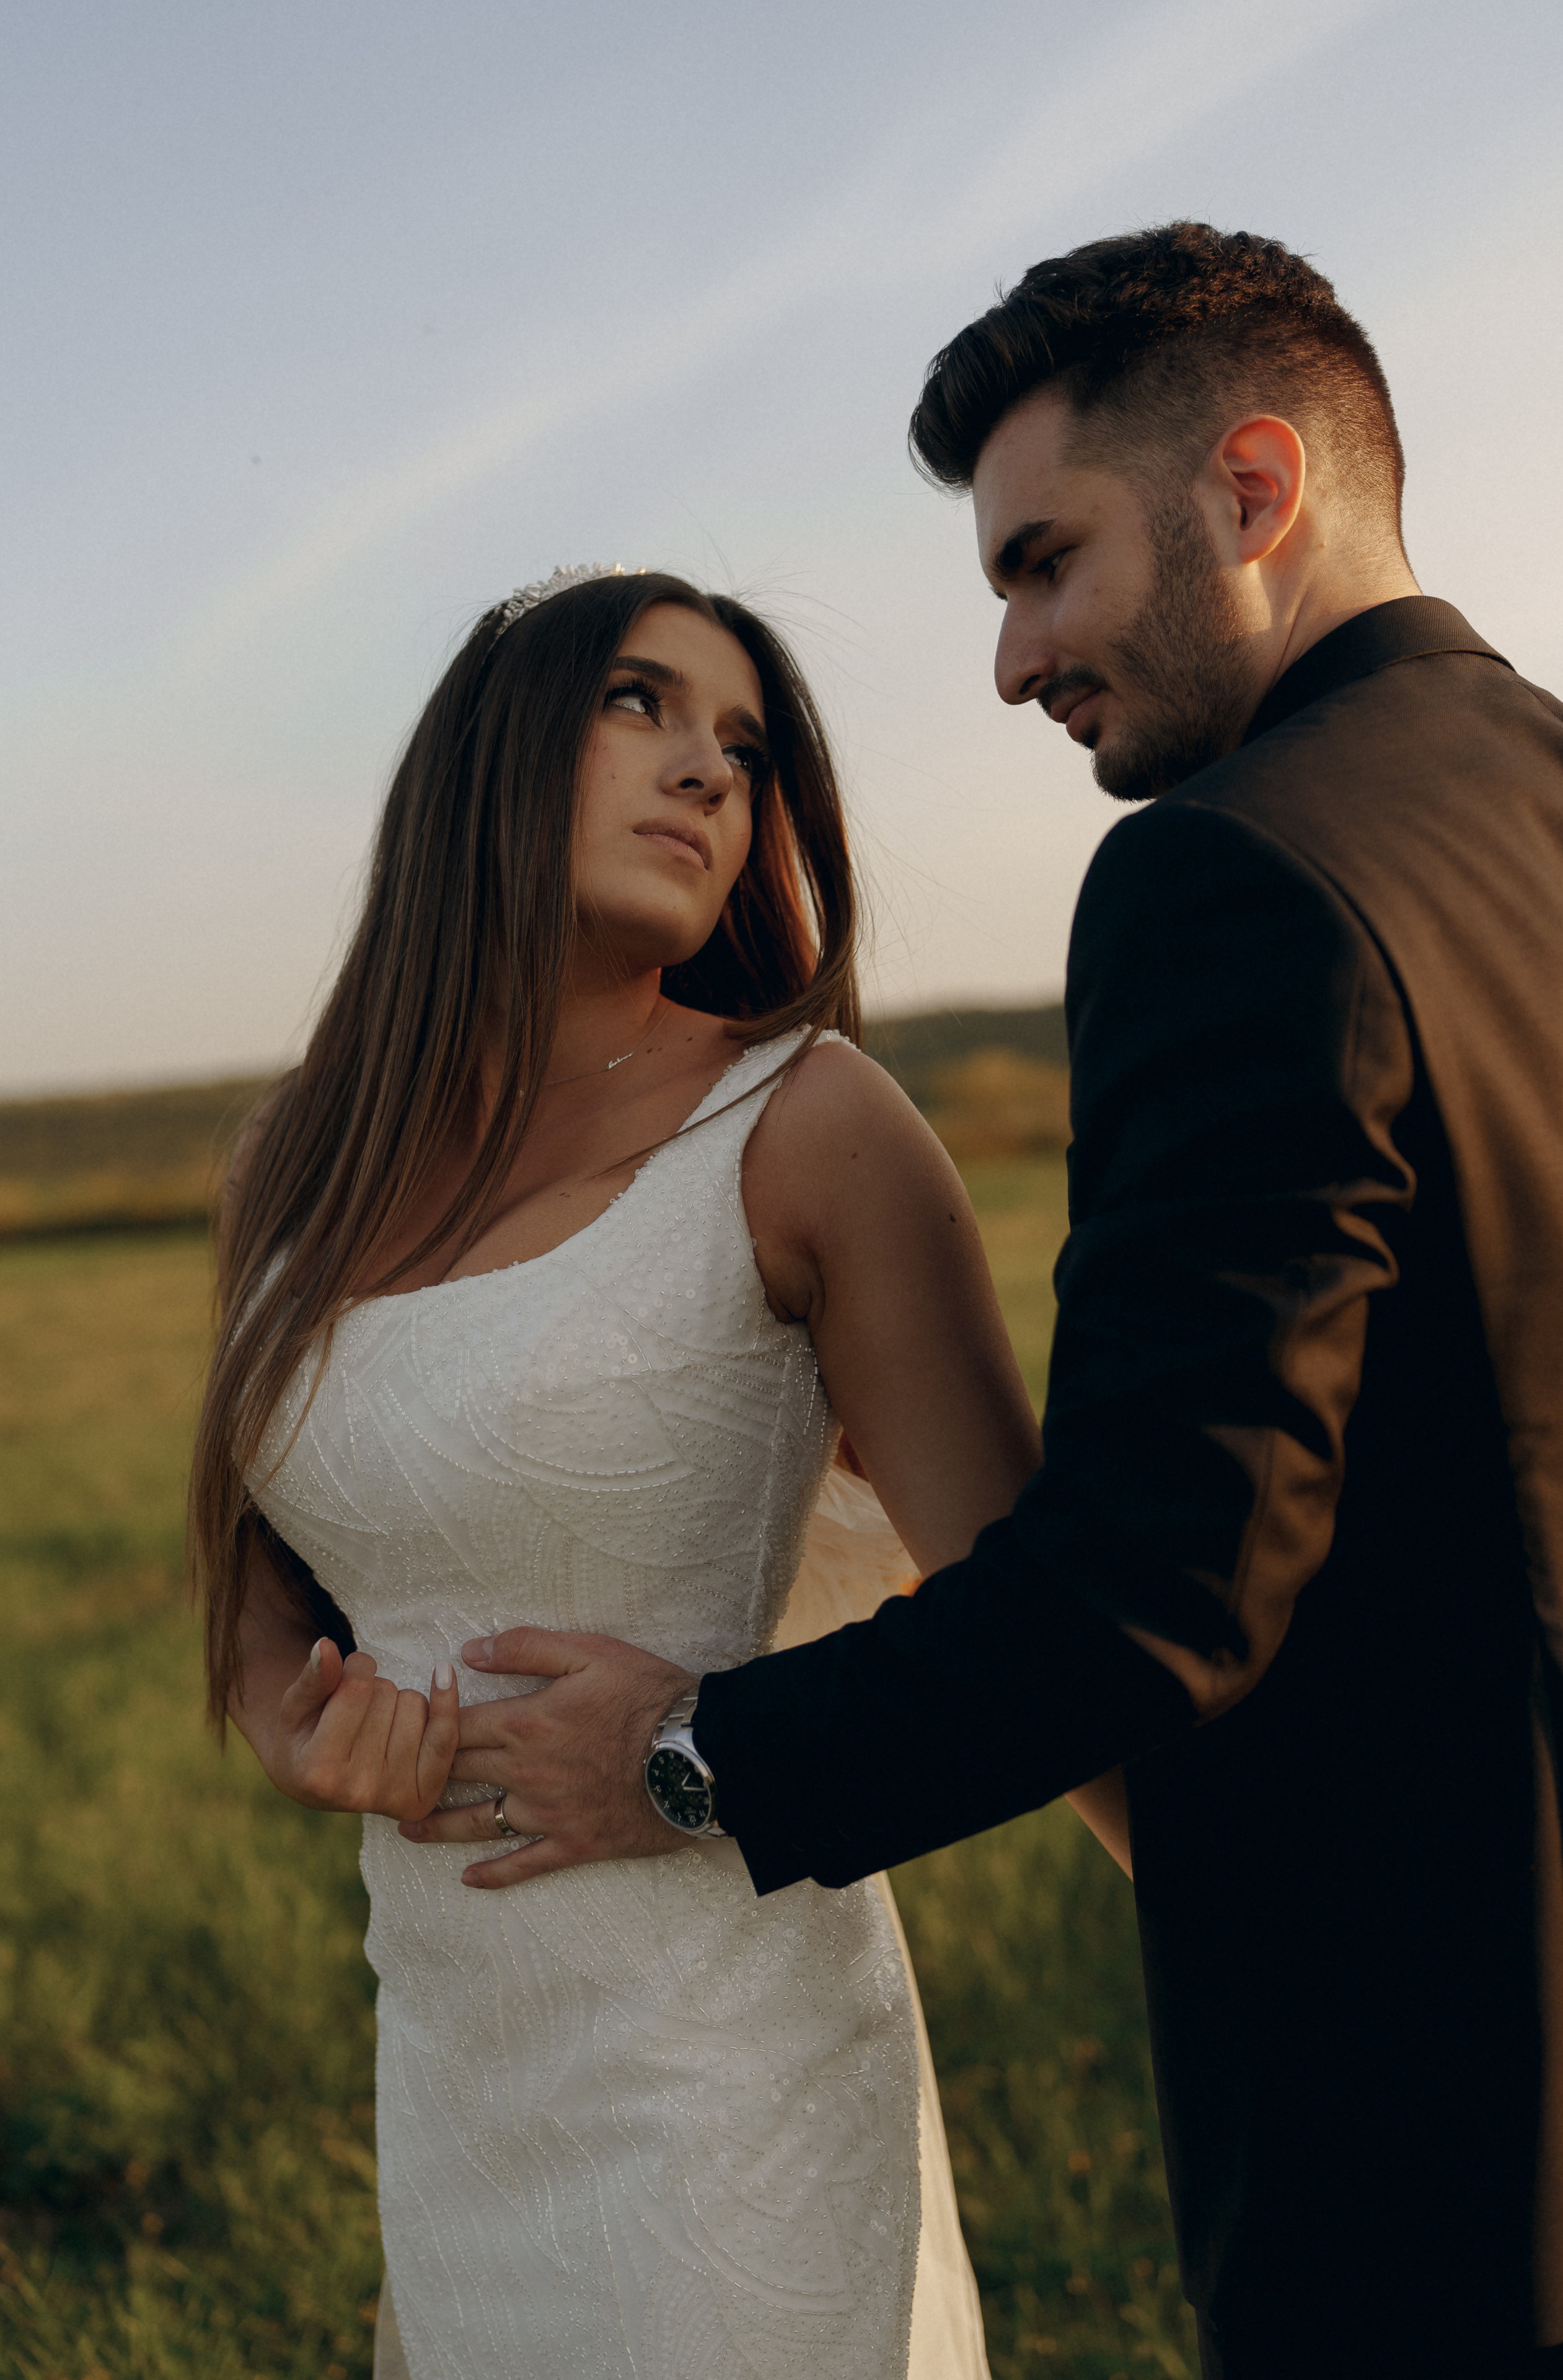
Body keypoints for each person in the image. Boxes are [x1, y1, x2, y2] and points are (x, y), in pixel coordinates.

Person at [454, 229, 1563, 2379]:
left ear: (1254, 492)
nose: (1008, 660)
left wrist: (689, 1755)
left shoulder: (1233, 873)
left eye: (1043, 563)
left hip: (1436, 2108)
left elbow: (1164, 1578)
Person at [188, 562, 1107, 2380]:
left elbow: (1049, 1628)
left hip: (732, 2092)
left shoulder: (809, 1127)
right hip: (456, 2079)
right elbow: (253, 1568)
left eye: (746, 748)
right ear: (490, 756)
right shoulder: (295, 1161)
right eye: (642, 703)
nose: (709, 771)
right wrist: (295, 1728)